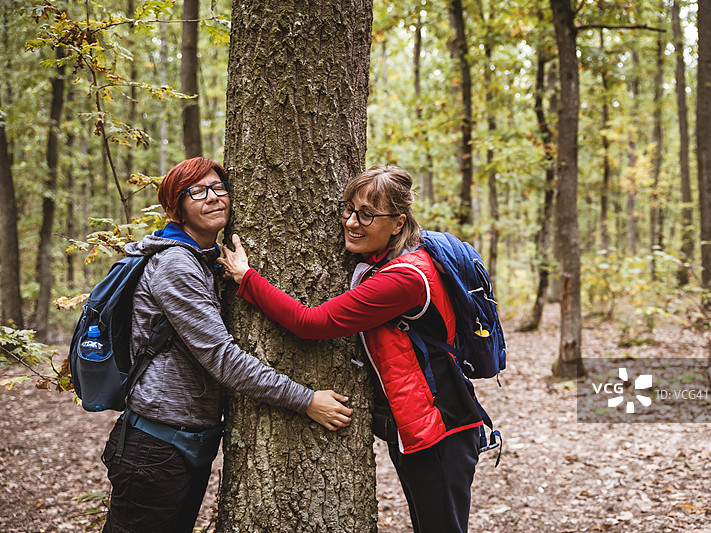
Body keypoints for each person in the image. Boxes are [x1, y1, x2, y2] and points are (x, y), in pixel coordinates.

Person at [218, 165, 483, 533]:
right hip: (423, 425)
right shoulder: (395, 259)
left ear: (398, 222)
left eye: (368, 215)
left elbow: (311, 324)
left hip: (440, 429)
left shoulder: (403, 277)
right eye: (348, 209)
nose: (352, 222)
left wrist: (246, 278)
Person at [101, 157, 352, 533]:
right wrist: (306, 399)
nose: (214, 198)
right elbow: (222, 358)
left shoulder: (202, 261)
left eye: (219, 188)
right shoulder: (176, 265)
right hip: (156, 447)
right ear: (176, 207)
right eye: (197, 191)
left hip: (184, 444)